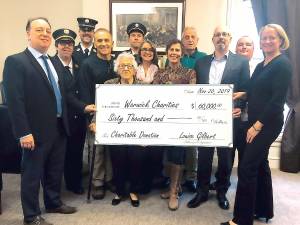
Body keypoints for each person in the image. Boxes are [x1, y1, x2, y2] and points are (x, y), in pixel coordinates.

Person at [2, 17, 94, 225]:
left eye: (47, 30)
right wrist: (23, 132)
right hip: (34, 131)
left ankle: (53, 202)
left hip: (59, 127)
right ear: (28, 34)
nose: (44, 34)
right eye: (39, 30)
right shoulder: (16, 61)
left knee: (54, 169)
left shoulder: (53, 62)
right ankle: (31, 215)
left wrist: (83, 106)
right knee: (32, 174)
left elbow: (65, 94)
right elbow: (14, 101)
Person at [221, 24, 292, 225]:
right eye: (264, 38)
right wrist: (243, 94)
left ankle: (241, 220)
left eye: (272, 38)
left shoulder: (283, 65)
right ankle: (263, 209)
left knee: (247, 167)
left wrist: (257, 126)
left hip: (267, 124)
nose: (267, 41)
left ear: (281, 40)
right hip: (255, 120)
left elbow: (276, 101)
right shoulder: (262, 64)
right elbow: (254, 90)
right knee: (261, 164)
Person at [187, 26, 250, 210]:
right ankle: (202, 191)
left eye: (224, 34)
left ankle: (222, 191)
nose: (221, 38)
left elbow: (246, 90)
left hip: (228, 118)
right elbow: (196, 91)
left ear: (229, 38)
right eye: (217, 35)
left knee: (225, 158)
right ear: (212, 39)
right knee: (204, 156)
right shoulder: (201, 62)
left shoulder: (241, 62)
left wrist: (240, 107)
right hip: (205, 118)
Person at [153, 39, 196, 210]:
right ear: (167, 52)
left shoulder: (189, 73)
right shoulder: (160, 73)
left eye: (177, 50)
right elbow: (154, 96)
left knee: (177, 154)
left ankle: (173, 193)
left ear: (182, 53)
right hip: (163, 120)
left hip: (181, 120)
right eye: (171, 49)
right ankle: (175, 185)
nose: (174, 53)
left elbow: (191, 95)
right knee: (168, 155)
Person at [99, 52, 145, 207]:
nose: (126, 68)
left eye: (129, 65)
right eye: (122, 65)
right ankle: (119, 191)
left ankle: (133, 191)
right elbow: (100, 107)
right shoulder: (108, 85)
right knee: (117, 161)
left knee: (136, 161)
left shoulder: (145, 87)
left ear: (134, 69)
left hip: (137, 132)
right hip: (115, 131)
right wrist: (95, 122)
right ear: (117, 69)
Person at [78, 28, 116, 200]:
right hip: (97, 112)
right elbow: (84, 91)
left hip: (115, 112)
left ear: (112, 43)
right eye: (99, 41)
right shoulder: (88, 64)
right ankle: (97, 182)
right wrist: (90, 116)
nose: (103, 44)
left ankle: (109, 178)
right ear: (95, 43)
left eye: (106, 40)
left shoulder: (116, 62)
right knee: (97, 148)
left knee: (111, 147)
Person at [51, 28, 86, 195]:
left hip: (78, 118)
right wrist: (84, 106)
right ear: (56, 45)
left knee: (76, 152)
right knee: (58, 156)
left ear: (73, 46)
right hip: (60, 118)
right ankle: (56, 189)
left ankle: (75, 182)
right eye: (62, 43)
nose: (66, 46)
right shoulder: (50, 64)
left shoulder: (79, 62)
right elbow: (64, 94)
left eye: (69, 43)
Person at [181, 26, 207, 192]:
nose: (190, 39)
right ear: (182, 40)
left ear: (197, 40)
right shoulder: (175, 56)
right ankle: (175, 177)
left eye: (193, 37)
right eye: (186, 37)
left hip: (195, 106)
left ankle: (191, 177)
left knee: (191, 144)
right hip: (177, 106)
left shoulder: (205, 58)